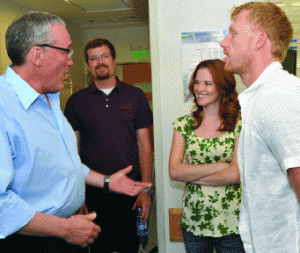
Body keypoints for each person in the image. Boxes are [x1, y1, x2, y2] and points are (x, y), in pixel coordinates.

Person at [0, 12, 151, 253]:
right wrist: (63, 228)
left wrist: (108, 181)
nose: (71, 61)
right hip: (32, 240)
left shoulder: (48, 101)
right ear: (37, 55)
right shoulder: (4, 107)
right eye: (66, 51)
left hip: (70, 234)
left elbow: (64, 163)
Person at [220, 2, 300, 252]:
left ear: (259, 40)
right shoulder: (260, 97)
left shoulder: (278, 96)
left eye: (233, 33)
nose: (223, 42)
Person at [64, 38, 153, 253]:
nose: (100, 62)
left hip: (130, 193)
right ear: (87, 65)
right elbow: (71, 150)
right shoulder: (76, 102)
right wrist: (78, 195)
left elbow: (144, 145)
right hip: (93, 193)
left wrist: (146, 189)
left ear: (114, 61)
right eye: (93, 58)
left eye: (104, 56)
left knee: (130, 247)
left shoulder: (135, 96)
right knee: (98, 248)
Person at [169, 59, 244, 253]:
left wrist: (191, 173)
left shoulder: (239, 124)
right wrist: (220, 166)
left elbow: (235, 175)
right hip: (194, 220)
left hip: (231, 221)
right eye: (197, 82)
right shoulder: (183, 124)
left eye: (208, 83)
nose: (199, 88)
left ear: (222, 87)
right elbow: (174, 172)